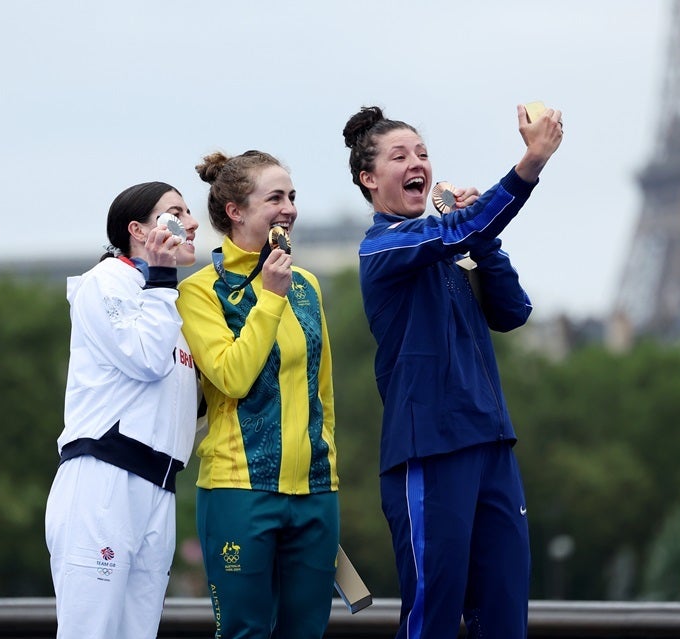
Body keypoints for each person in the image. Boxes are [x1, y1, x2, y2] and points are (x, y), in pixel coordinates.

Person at [341, 104, 563, 639]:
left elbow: (513, 312)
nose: (417, 162)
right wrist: (529, 163)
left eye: (422, 152)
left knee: (504, 615)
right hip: (430, 449)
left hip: (491, 442)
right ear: (370, 179)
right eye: (400, 156)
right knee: (432, 618)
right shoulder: (384, 247)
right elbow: (452, 233)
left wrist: (483, 238)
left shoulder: (450, 246)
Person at [176, 150, 339, 639]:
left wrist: (326, 465)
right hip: (239, 491)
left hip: (314, 492)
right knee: (245, 632)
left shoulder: (307, 285)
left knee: (306, 632)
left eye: (292, 197)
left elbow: (322, 391)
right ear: (236, 211)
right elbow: (231, 377)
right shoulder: (202, 291)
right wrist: (269, 296)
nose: (289, 208)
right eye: (275, 197)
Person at [44, 181, 200, 639]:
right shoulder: (106, 283)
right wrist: (162, 278)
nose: (191, 222)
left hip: (159, 487)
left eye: (190, 211)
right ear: (137, 229)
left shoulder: (165, 297)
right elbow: (146, 360)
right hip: (104, 479)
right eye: (175, 212)